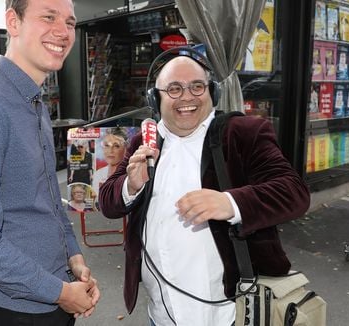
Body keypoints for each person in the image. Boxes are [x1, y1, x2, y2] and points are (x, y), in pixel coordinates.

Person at [98, 55, 310, 326]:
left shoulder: (242, 133)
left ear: (212, 91)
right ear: (155, 99)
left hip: (230, 312)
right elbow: (107, 202)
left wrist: (231, 203)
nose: (187, 97)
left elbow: (294, 192)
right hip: (161, 311)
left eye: (197, 86)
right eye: (174, 89)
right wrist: (131, 185)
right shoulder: (144, 141)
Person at [0, 0, 100, 325]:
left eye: (69, 22)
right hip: (10, 311)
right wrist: (61, 293)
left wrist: (75, 258)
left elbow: (49, 201)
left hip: (52, 295)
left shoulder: (33, 102)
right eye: (48, 17)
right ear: (13, 22)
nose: (63, 31)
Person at [91, 127, 129, 196]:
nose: (110, 151)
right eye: (107, 145)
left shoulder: (130, 173)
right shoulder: (98, 174)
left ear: (125, 149)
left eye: (116, 146)